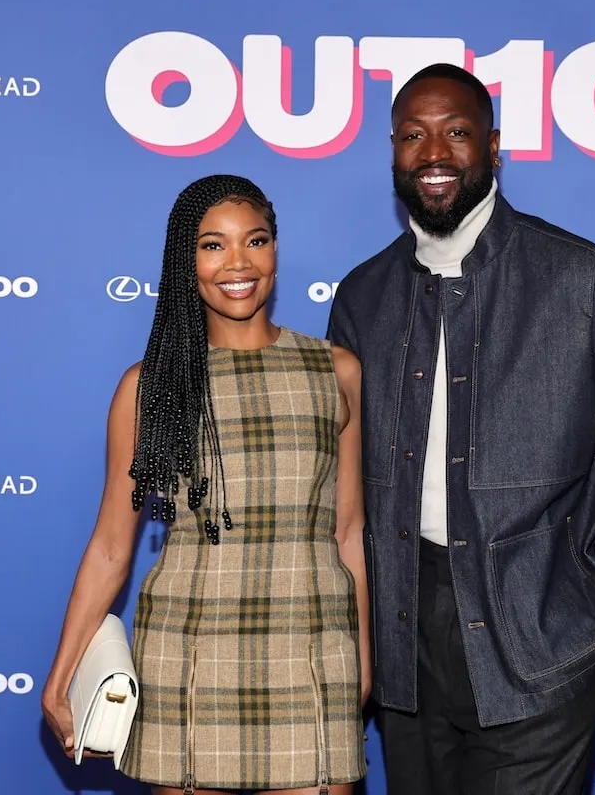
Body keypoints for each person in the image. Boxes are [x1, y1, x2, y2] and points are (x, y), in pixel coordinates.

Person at [326, 64, 595, 794]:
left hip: (539, 634)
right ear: (393, 152)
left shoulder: (581, 278)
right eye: (412, 135)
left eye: (456, 132)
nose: (433, 153)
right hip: (403, 642)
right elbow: (335, 485)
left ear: (493, 146)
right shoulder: (361, 295)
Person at [42, 174, 371, 795]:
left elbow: (349, 534)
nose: (239, 262)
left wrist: (362, 661)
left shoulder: (336, 371)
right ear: (184, 260)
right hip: (190, 648)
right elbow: (114, 546)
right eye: (213, 245)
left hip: (312, 647)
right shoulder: (151, 387)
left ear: (277, 249)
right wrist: (61, 674)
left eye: (257, 240)